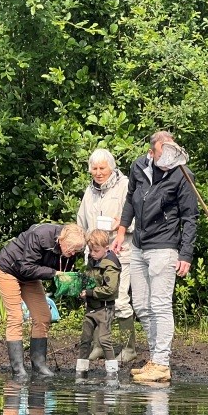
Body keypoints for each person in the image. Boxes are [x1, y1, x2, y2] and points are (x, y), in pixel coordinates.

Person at [112, 131, 199, 384]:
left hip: (165, 246)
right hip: (138, 244)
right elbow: (130, 199)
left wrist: (186, 254)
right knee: (140, 304)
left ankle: (162, 361)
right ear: (152, 152)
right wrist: (121, 232)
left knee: (160, 304)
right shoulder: (139, 165)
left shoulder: (182, 174)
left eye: (172, 151)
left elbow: (190, 218)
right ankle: (154, 360)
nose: (169, 157)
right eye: (164, 152)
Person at [0, 223, 86, 381]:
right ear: (61, 239)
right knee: (16, 316)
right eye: (70, 248)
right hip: (8, 268)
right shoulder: (40, 235)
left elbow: (64, 273)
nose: (72, 253)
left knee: (43, 316)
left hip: (30, 275)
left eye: (76, 250)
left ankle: (39, 366)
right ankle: (18, 370)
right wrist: (55, 273)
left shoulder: (71, 249)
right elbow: (26, 267)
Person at [76, 148, 137, 365]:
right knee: (94, 299)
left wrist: (121, 224)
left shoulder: (126, 185)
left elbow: (139, 218)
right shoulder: (89, 191)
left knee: (118, 299)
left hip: (119, 253)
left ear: (111, 167)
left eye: (103, 168)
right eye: (94, 168)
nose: (98, 172)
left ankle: (129, 348)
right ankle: (99, 345)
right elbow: (81, 223)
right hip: (93, 255)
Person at [75, 229, 121, 384]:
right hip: (91, 308)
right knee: (85, 339)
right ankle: (81, 371)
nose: (93, 253)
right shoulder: (92, 260)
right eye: (91, 250)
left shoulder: (110, 265)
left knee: (104, 340)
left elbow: (110, 289)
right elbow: (89, 279)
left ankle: (112, 373)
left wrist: (90, 292)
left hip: (105, 308)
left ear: (106, 248)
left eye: (96, 251)